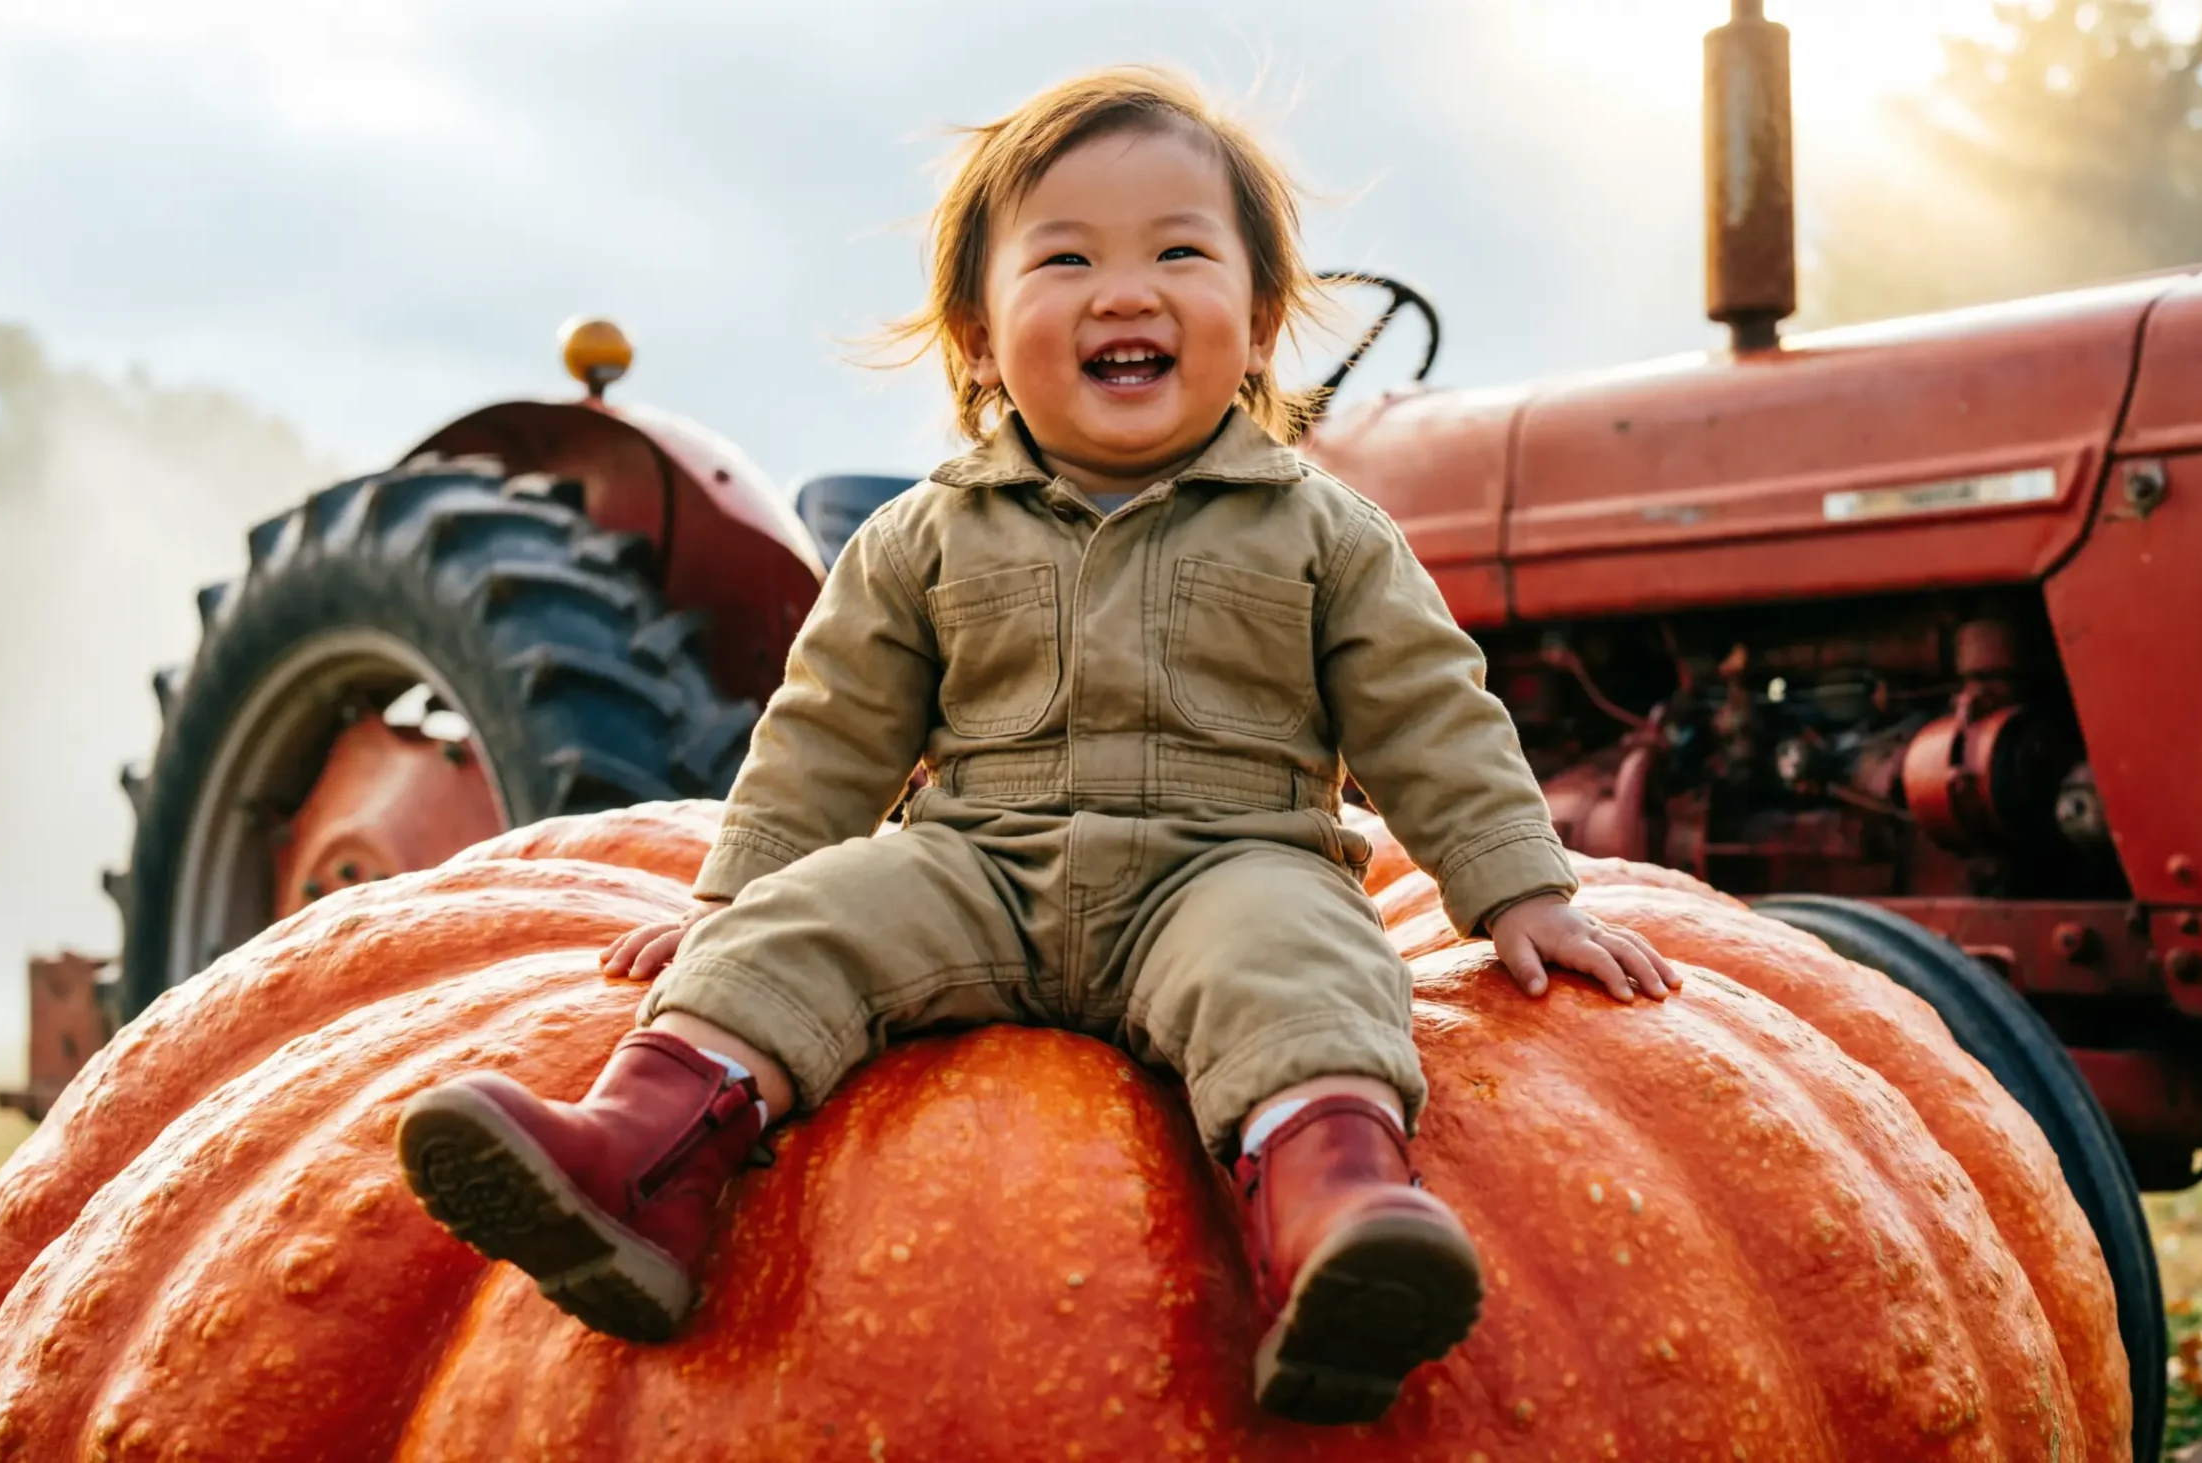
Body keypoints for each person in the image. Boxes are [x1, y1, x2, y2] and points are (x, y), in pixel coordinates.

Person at [395, 64, 1679, 1426]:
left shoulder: (1323, 531)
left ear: (1254, 326)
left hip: (1228, 859)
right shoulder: (923, 537)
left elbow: (1429, 709)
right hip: (977, 862)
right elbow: (833, 724)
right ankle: (633, 1171)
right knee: (809, 923)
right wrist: (736, 893)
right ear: (981, 337)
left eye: (1179, 252)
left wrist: (1518, 886)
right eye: (1066, 258)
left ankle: (1334, 1226)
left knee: (1299, 966)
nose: (1125, 291)